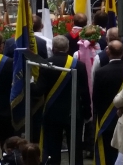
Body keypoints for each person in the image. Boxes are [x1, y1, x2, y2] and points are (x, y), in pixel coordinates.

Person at [34, 35, 90, 165]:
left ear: (53, 49)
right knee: (75, 148)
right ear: (68, 48)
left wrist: (30, 83)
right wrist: (87, 112)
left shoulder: (46, 64)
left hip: (52, 112)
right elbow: (84, 92)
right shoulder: (79, 65)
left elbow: (39, 90)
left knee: (52, 148)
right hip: (73, 112)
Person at [91, 40, 123, 165]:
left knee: (106, 151)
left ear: (107, 52)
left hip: (105, 118)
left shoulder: (100, 72)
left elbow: (96, 97)